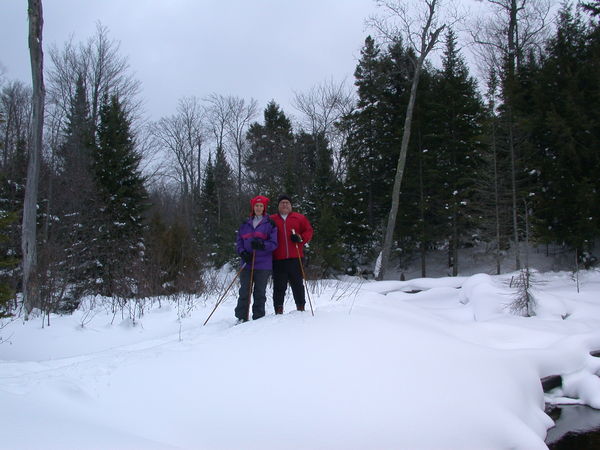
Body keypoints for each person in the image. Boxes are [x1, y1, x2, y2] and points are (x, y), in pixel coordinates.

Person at [235, 195, 278, 322]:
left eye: (261, 206)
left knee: (259, 292)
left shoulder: (269, 224)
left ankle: (258, 317)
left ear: (264, 208)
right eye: (256, 206)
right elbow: (239, 242)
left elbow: (274, 244)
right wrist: (242, 253)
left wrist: (262, 245)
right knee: (244, 291)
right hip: (247, 263)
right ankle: (242, 316)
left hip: (263, 264)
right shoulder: (245, 223)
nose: (258, 208)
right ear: (253, 207)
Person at [270, 194, 313, 314]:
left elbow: (309, 231)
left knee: (297, 284)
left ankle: (300, 307)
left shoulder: (299, 218)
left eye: (287, 203)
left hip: (296, 257)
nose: (284, 205)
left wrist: (300, 238)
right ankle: (278, 310)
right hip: (278, 258)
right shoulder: (272, 219)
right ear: (278, 206)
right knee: (279, 286)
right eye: (282, 203)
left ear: (291, 205)